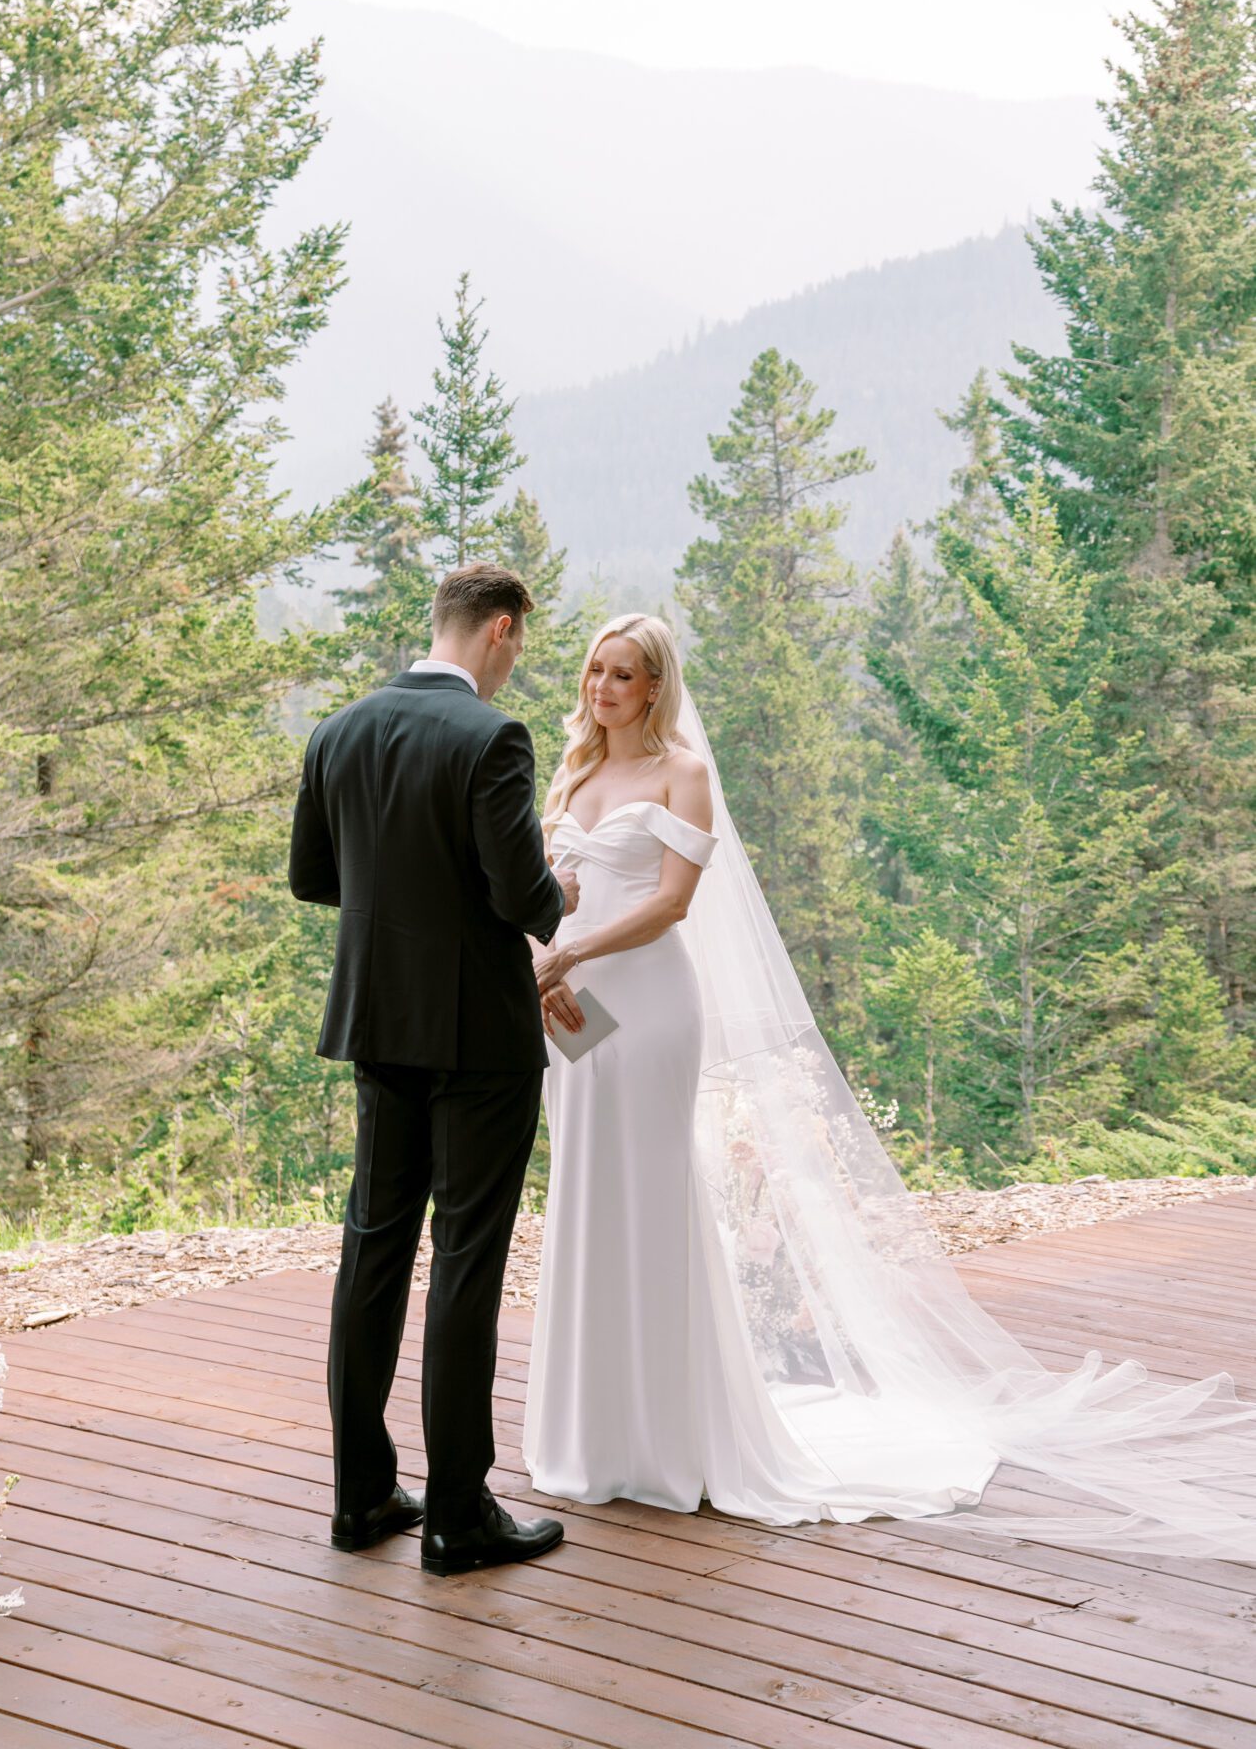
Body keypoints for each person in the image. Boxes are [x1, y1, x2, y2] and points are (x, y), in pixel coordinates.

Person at [523, 612, 1256, 1559]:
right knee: (585, 1194)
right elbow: (544, 885)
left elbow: (669, 904)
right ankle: (590, 1432)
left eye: (622, 675)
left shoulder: (683, 774)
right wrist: (544, 964)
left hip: (650, 1005)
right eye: (594, 671)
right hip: (570, 1007)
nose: (602, 688)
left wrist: (571, 950)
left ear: (655, 687)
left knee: (654, 1197)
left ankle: (669, 1436)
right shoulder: (572, 773)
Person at [290, 562, 577, 1576]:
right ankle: (459, 1511)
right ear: (501, 629)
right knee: (466, 1258)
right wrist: (561, 884)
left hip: (377, 1019)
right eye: (520, 645)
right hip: (481, 1035)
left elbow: (314, 878)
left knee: (374, 1247)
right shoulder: (492, 737)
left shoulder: (337, 729)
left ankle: (362, 1495)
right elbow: (520, 893)